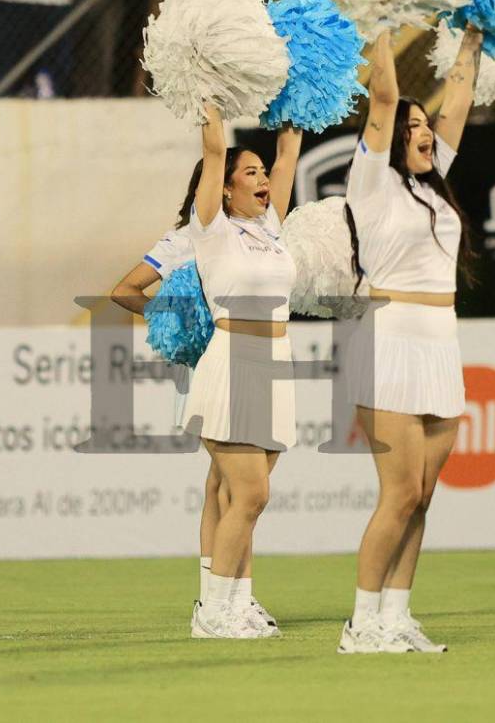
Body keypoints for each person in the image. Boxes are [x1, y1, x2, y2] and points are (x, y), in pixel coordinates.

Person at [338, 27, 482, 655]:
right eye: (412, 126)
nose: (424, 132)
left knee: (422, 496)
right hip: (389, 338)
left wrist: (476, 31)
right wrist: (384, 24)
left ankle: (395, 616)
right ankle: (360, 623)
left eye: (428, 127)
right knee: (398, 492)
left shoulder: (431, 185)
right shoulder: (371, 182)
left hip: (439, 343)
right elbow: (385, 97)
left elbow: (461, 93)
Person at [109, 178, 278, 637]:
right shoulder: (184, 238)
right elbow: (124, 289)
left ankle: (230, 596)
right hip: (211, 359)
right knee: (232, 487)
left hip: (248, 360)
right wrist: (174, 318)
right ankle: (218, 599)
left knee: (229, 485)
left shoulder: (249, 232)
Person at [183, 107, 301, 638]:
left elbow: (290, 153)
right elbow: (213, 152)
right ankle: (212, 612)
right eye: (249, 173)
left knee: (240, 500)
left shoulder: (269, 227)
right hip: (232, 363)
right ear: (226, 190)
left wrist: (302, 94)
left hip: (276, 366)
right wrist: (211, 100)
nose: (263, 179)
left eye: (262, 172)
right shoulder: (213, 231)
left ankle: (236, 604)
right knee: (251, 495)